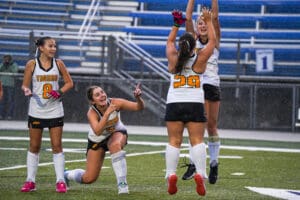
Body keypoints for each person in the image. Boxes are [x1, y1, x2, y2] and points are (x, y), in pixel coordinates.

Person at [164, 7, 216, 196]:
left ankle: (170, 175)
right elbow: (212, 41)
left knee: (174, 141)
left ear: (180, 45)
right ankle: (201, 174)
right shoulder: (200, 59)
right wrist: (209, 21)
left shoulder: (172, 57)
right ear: (194, 46)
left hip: (174, 103)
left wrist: (176, 25)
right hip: (194, 104)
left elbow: (169, 41)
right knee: (197, 141)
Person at [64, 84, 145, 195]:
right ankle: (67, 174)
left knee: (115, 145)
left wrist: (138, 98)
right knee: (89, 178)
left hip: (116, 133)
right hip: (97, 140)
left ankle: (122, 185)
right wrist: (107, 113)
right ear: (92, 102)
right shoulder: (91, 113)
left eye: (102, 92)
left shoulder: (116, 102)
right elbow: (97, 131)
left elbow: (139, 107)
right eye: (97, 95)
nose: (102, 95)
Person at [20, 36, 74, 193]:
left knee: (57, 146)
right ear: (41, 48)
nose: (53, 49)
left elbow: (69, 83)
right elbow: (24, 84)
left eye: (55, 46)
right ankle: (30, 181)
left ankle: (60, 181)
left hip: (55, 110)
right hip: (36, 110)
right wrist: (26, 90)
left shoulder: (59, 63)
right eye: (50, 46)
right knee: (34, 146)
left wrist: (59, 91)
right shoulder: (31, 64)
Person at [182, 0, 221, 185]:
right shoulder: (193, 40)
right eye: (200, 23)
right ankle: (193, 163)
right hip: (196, 85)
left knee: (211, 126)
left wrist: (211, 12)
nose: (203, 25)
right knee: (197, 125)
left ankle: (214, 164)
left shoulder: (215, 39)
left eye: (205, 22)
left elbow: (216, 17)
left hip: (212, 85)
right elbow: (188, 17)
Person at [0, 54, 19, 120]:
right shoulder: (2, 64)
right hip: (2, 85)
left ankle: (10, 115)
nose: (6, 60)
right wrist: (4, 64)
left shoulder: (14, 65)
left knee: (10, 101)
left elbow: (15, 71)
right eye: (5, 58)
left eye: (8, 58)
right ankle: (1, 115)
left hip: (10, 85)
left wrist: (9, 65)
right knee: (2, 101)